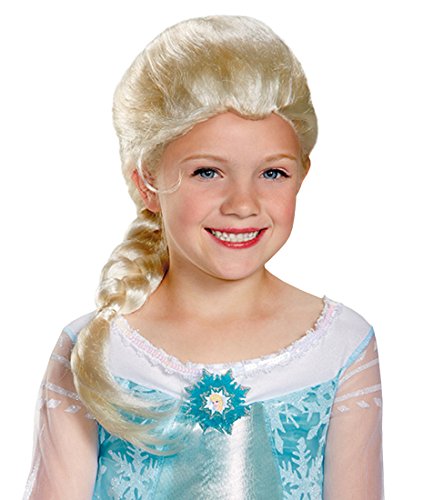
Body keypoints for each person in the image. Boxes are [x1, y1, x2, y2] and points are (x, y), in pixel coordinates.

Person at [23, 15, 384, 499]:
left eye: (272, 173)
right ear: (147, 181)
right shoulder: (94, 352)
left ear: (301, 174)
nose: (243, 204)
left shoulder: (340, 346)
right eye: (208, 172)